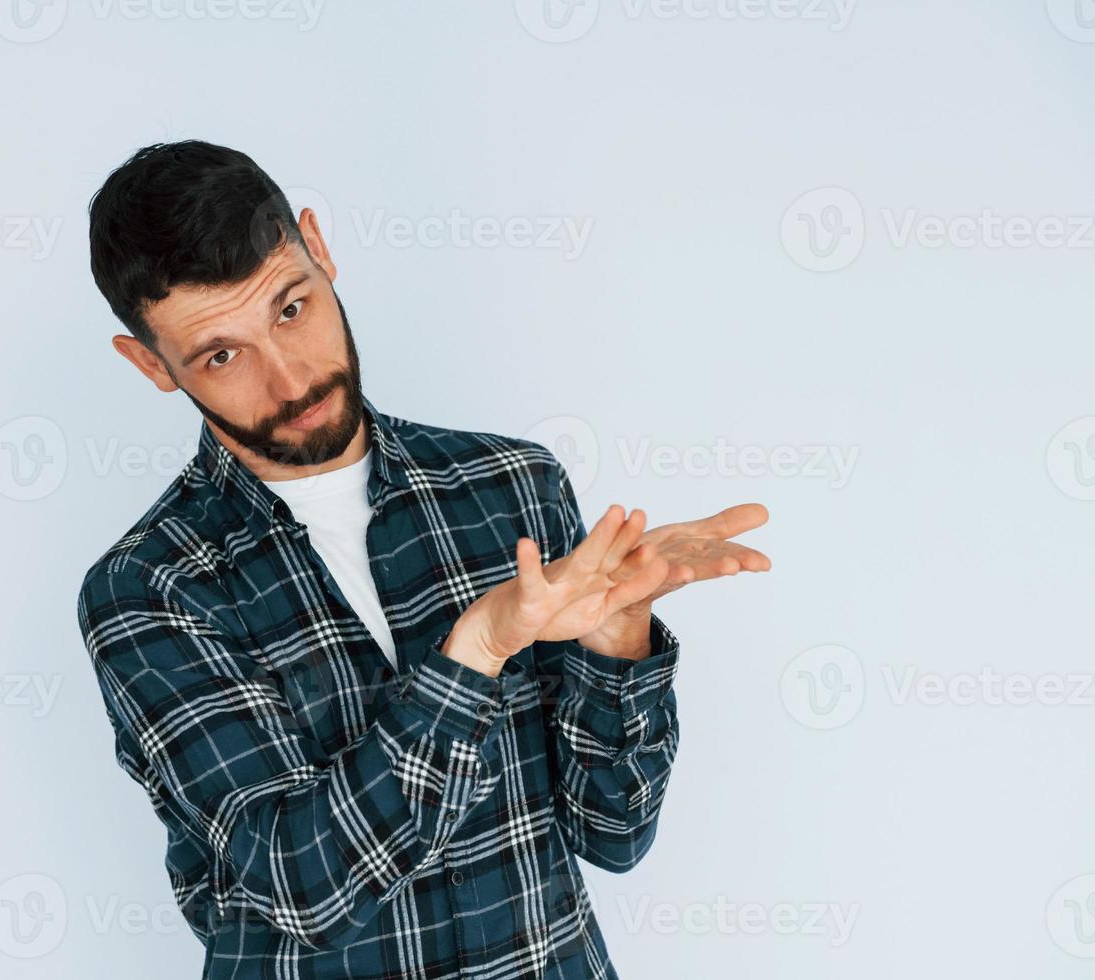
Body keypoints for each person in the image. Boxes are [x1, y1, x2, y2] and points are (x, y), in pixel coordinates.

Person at [78, 140, 771, 979]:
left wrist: (617, 641)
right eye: (222, 355)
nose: (291, 379)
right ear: (151, 363)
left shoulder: (511, 485)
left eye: (292, 308)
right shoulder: (148, 589)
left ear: (319, 248)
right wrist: (476, 650)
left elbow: (613, 834)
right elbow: (306, 893)